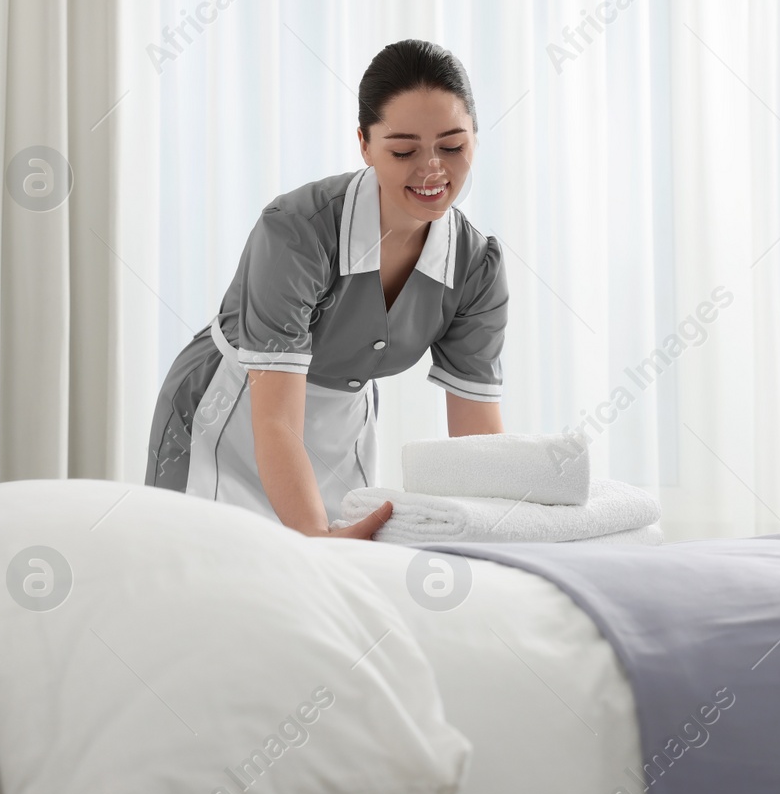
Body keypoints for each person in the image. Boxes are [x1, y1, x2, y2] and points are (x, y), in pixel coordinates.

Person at [145, 39, 509, 539]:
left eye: (452, 146)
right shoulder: (297, 231)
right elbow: (274, 420)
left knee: (341, 588)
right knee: (206, 573)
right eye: (403, 150)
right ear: (364, 144)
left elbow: (477, 436)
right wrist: (317, 541)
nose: (432, 170)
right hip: (231, 410)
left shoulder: (476, 265)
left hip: (342, 427)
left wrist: (500, 530)